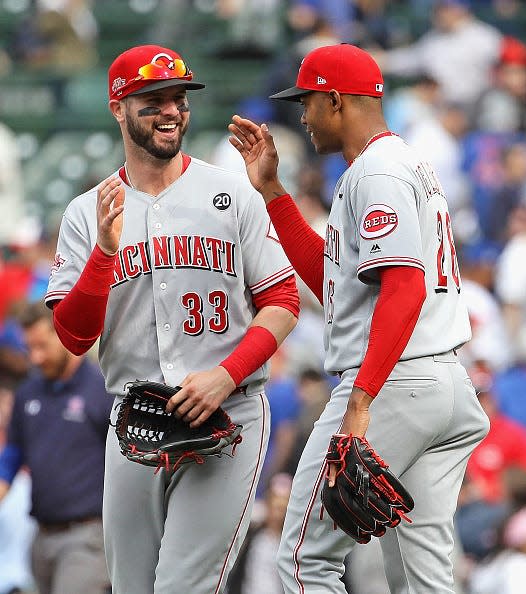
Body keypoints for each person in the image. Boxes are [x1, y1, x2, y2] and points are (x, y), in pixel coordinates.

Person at [229, 43, 489, 594]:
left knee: (304, 558)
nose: (301, 115)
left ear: (338, 101)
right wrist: (274, 192)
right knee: (423, 579)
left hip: (396, 381)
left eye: (308, 101)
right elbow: (332, 284)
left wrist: (364, 398)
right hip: (440, 385)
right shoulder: (396, 164)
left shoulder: (379, 171)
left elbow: (404, 286)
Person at [44, 44, 299, 594]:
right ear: (118, 108)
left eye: (178, 99)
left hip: (227, 414)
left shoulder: (232, 194)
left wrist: (226, 374)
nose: (170, 111)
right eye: (153, 100)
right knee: (131, 586)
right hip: (135, 418)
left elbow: (284, 303)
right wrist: (104, 254)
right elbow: (72, 335)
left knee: (184, 586)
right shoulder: (89, 210)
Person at [0, 301, 112, 594]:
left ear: (63, 335)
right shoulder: (27, 393)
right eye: (29, 348)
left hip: (86, 535)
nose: (35, 357)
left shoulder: (101, 390)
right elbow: (13, 454)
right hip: (40, 536)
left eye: (41, 346)